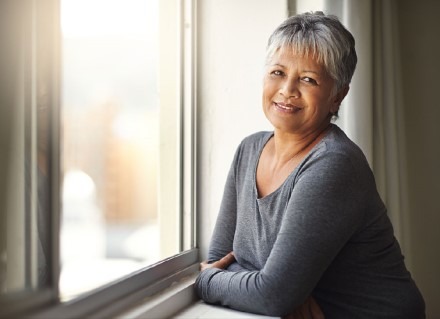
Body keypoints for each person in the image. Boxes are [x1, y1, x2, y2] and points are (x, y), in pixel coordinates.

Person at [194, 11, 425, 319]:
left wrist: (204, 279)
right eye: (277, 72)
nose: (287, 89)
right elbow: (222, 259)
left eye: (308, 79)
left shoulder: (334, 164)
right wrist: (275, 290)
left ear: (337, 96)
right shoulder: (248, 151)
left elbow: (265, 293)